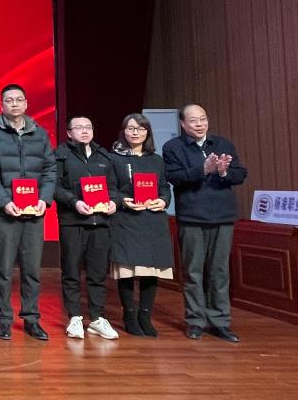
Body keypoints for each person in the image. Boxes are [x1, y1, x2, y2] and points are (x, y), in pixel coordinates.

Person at [0, 84, 57, 341]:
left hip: (34, 211)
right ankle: (4, 320)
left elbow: (50, 169)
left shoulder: (39, 134)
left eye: (19, 99)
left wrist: (44, 199)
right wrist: (4, 202)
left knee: (32, 268)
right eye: (9, 100)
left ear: (26, 104)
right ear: (1, 105)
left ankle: (31, 319)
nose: (14, 104)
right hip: (5, 212)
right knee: (3, 268)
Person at [163, 104, 247, 342]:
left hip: (223, 216)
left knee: (219, 271)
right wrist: (203, 170)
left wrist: (223, 172)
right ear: (182, 123)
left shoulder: (223, 144)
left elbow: (240, 174)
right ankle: (195, 321)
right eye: (193, 120)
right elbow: (174, 177)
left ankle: (220, 321)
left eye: (203, 119)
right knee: (193, 271)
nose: (199, 124)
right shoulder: (173, 147)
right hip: (192, 217)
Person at [53, 115, 120, 340]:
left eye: (88, 127)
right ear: (69, 133)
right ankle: (74, 317)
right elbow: (55, 187)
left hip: (100, 222)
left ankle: (97, 318)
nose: (84, 131)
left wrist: (114, 202)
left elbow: (114, 187)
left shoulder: (104, 156)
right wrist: (75, 202)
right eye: (79, 127)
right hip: (73, 222)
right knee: (71, 271)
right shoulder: (60, 155)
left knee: (98, 273)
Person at [109, 113, 174, 337]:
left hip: (152, 220)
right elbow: (110, 188)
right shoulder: (113, 158)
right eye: (131, 128)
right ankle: (129, 316)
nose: (135, 132)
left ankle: (145, 316)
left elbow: (164, 187)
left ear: (148, 133)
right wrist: (122, 201)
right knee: (126, 271)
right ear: (123, 131)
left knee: (150, 270)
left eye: (141, 128)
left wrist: (163, 200)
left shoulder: (156, 159)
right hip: (126, 220)